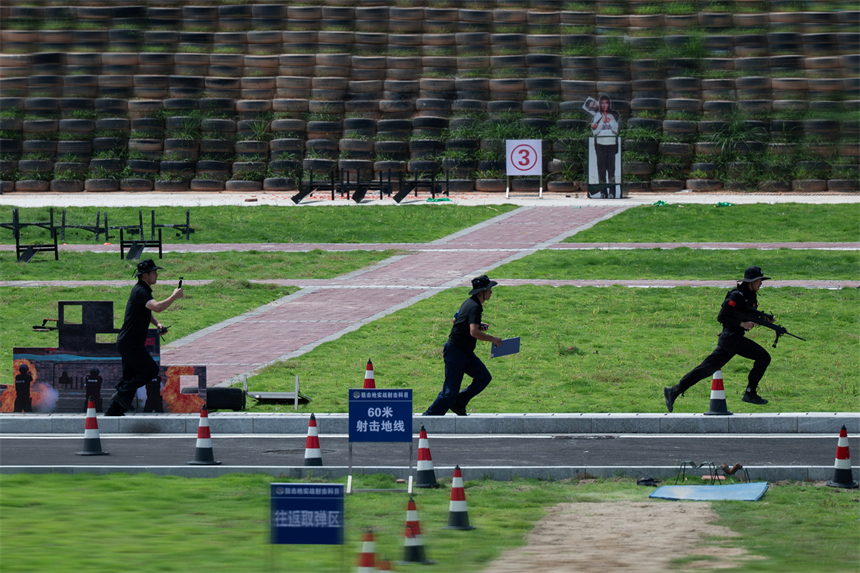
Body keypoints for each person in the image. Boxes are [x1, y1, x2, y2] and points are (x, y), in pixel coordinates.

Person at [664, 266, 774, 412]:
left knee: (706, 369)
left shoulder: (750, 295)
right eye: (759, 280)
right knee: (763, 357)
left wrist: (764, 318)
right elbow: (722, 317)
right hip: (731, 338)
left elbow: (747, 313)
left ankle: (674, 391)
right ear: (751, 282)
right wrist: (742, 324)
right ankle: (750, 393)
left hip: (731, 340)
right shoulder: (737, 296)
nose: (761, 283)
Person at [105, 259, 183, 416]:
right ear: (145, 275)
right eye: (154, 272)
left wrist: (157, 324)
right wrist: (174, 296)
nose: (157, 275)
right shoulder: (140, 291)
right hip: (130, 343)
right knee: (151, 370)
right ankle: (121, 393)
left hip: (130, 342)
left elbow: (146, 312)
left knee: (130, 377)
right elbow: (158, 307)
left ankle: (114, 411)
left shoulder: (143, 291)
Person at [423, 275, 503, 416]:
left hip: (465, 353)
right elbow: (474, 332)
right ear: (481, 292)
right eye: (489, 289)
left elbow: (456, 319)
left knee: (483, 377)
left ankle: (459, 403)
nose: (491, 292)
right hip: (455, 352)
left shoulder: (469, 303)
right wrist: (493, 339)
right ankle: (428, 418)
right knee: (449, 392)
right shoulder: (474, 307)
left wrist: (477, 324)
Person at [590, 94, 619, 198]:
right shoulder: (596, 116)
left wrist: (610, 122)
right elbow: (595, 132)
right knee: (601, 170)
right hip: (600, 145)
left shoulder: (612, 116)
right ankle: (603, 192)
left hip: (611, 144)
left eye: (606, 103)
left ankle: (612, 192)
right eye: (602, 103)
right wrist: (602, 123)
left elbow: (616, 130)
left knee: (611, 169)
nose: (604, 105)